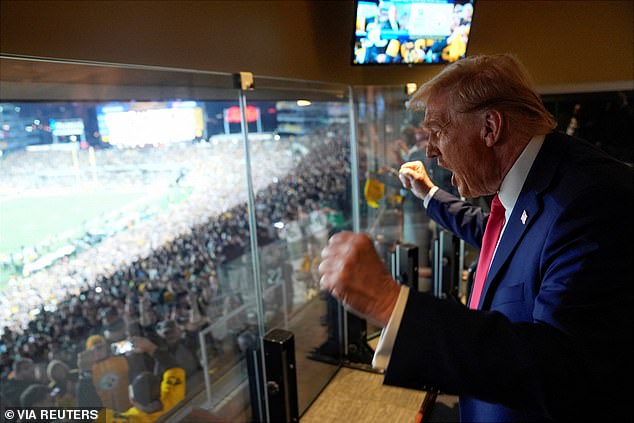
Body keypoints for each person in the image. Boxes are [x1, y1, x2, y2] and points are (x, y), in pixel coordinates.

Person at [318, 54, 633, 421]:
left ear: (490, 127)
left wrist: (390, 304)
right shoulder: (543, 177)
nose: (431, 149)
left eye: (437, 131)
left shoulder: (589, 203)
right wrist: (430, 194)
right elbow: (501, 236)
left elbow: (559, 369)